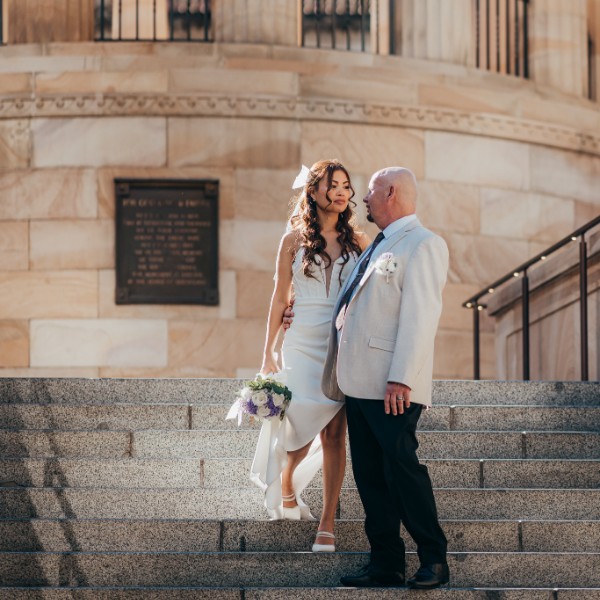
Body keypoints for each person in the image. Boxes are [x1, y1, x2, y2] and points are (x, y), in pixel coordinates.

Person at [320, 167, 450, 588]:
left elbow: (420, 317)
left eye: (372, 192)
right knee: (371, 477)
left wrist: (402, 378)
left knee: (402, 472)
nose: (364, 199)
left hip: (392, 387)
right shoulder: (380, 244)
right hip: (359, 383)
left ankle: (434, 559)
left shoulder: (423, 244)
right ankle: (385, 564)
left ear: (391, 192)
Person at [251, 159, 370, 553]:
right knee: (300, 418)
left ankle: (328, 522)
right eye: (333, 185)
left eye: (346, 186)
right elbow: (278, 296)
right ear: (313, 191)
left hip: (342, 341)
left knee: (336, 432)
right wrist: (268, 350)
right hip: (301, 339)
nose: (341, 192)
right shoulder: (292, 240)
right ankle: (286, 481)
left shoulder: (361, 242)